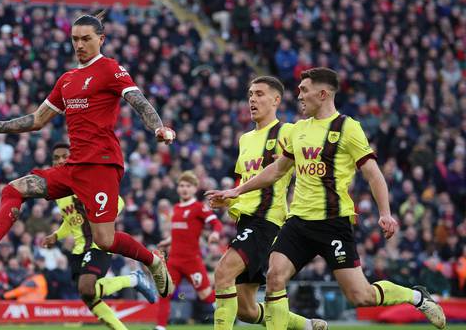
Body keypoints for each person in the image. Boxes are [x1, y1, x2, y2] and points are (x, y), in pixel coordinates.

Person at [206, 68, 446, 330]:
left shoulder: (347, 128)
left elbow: (374, 175)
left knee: (360, 295)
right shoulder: (297, 130)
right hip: (297, 222)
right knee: (275, 276)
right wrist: (236, 191)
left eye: (304, 90)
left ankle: (416, 296)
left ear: (322, 94)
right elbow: (276, 170)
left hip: (333, 223)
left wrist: (385, 213)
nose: (299, 96)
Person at [0, 10, 176, 298]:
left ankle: (153, 262)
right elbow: (37, 120)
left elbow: (139, 102)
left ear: (101, 39)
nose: (79, 45)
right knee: (14, 189)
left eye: (86, 39)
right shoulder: (67, 80)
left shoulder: (111, 69)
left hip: (102, 165)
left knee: (105, 239)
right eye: (75, 39)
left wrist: (159, 129)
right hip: (73, 167)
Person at [208, 76, 327, 330]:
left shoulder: (288, 131)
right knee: (247, 310)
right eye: (250, 94)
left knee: (222, 273)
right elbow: (242, 179)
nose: (252, 99)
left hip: (267, 221)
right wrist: (229, 198)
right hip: (246, 221)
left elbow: (313, 149)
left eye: (260, 94)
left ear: (276, 100)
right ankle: (307, 326)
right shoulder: (245, 139)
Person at [41, 143, 157, 329]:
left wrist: (102, 218)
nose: (61, 160)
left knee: (87, 289)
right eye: (56, 157)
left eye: (65, 156)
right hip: (78, 249)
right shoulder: (59, 191)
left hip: (98, 244)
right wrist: (56, 235)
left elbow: (117, 202)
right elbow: (70, 218)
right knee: (89, 297)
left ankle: (133, 279)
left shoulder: (87, 180)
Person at [155, 171, 222, 330]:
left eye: (188, 186)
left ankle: (232, 310)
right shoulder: (176, 208)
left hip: (192, 261)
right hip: (174, 261)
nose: (184, 189)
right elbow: (180, 232)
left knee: (206, 296)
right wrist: (168, 241)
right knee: (165, 294)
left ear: (194, 188)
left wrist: (215, 233)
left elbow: (216, 224)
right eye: (181, 185)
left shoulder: (199, 208)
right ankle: (160, 327)